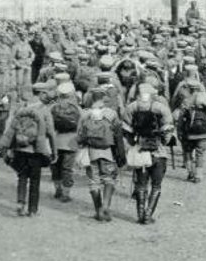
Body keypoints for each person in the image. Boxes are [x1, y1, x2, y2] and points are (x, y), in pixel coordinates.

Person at [1, 82, 58, 217]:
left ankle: (20, 203)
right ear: (42, 93)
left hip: (20, 149)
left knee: (22, 177)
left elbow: (12, 128)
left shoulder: (22, 107)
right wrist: (54, 151)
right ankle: (32, 210)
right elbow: (50, 133)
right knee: (34, 180)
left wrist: (8, 147)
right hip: (35, 151)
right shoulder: (44, 110)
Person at [123, 83, 173, 224]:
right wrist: (164, 140)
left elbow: (126, 130)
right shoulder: (161, 108)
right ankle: (148, 214)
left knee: (141, 184)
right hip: (159, 152)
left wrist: (133, 143)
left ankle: (140, 214)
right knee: (156, 185)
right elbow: (168, 131)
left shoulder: (131, 107)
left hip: (140, 151)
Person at [76, 87, 124, 221]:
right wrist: (121, 156)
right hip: (108, 153)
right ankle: (106, 206)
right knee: (109, 179)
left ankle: (98, 211)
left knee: (94, 181)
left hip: (90, 154)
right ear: (103, 99)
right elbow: (118, 135)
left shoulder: (85, 115)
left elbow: (79, 136)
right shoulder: (111, 113)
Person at [174, 70, 206, 183]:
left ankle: (190, 173)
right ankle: (198, 175)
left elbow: (180, 120)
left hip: (189, 133)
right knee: (200, 154)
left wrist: (179, 132)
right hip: (203, 133)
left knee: (187, 153)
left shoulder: (187, 101)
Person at [49, 81, 82, 202]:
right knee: (67, 168)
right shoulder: (77, 109)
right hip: (71, 142)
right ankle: (66, 193)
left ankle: (57, 189)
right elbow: (81, 126)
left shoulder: (53, 107)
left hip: (56, 141)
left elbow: (49, 125)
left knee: (55, 166)